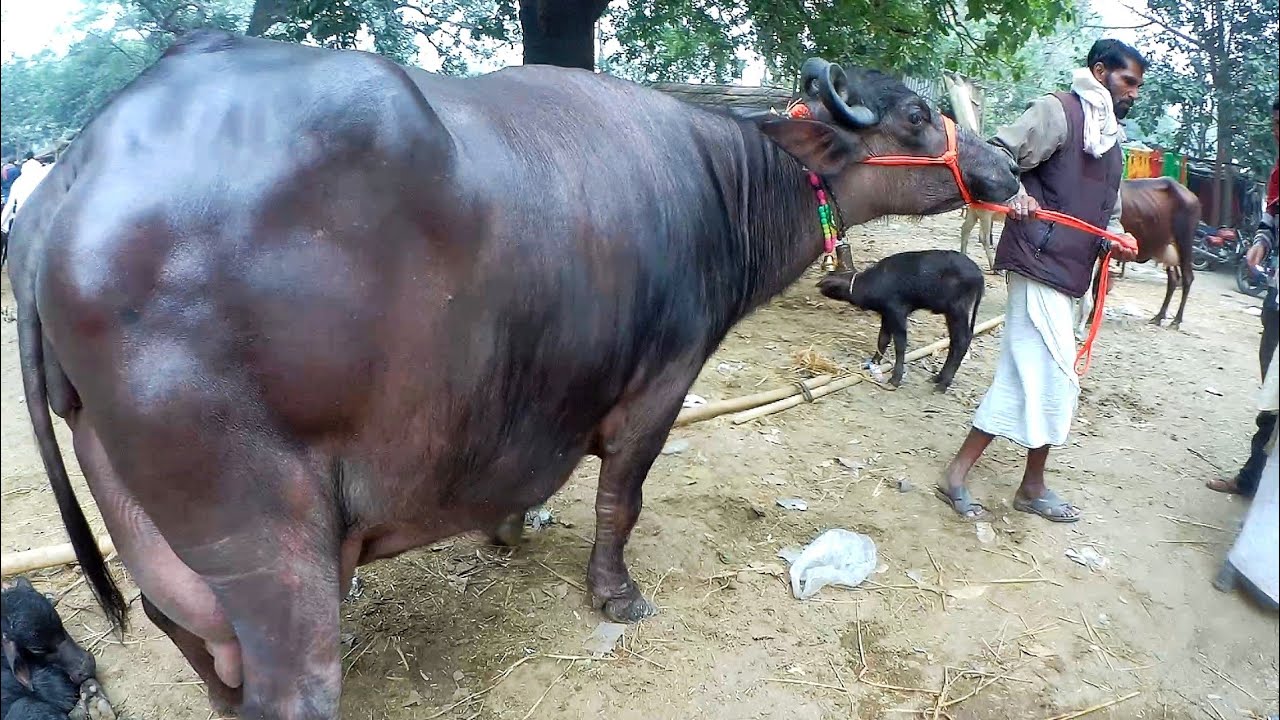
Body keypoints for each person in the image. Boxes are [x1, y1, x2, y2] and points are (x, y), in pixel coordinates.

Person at [936, 38, 1145, 522]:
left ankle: (1004, 480)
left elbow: (1108, 211)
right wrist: (1016, 194)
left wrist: (1116, 237)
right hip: (1036, 260)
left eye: (1137, 85)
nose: (1134, 93)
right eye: (1128, 81)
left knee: (1039, 375)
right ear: (1100, 72)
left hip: (1071, 273)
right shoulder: (1057, 112)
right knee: (1049, 374)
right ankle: (1002, 482)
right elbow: (996, 153)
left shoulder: (1111, 139)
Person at [1206, 97, 1279, 498]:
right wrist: (1261, 244)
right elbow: (1270, 223)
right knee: (1272, 392)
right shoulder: (1278, 175)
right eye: (1275, 126)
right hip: (1277, 301)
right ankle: (1253, 479)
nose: (1277, 134)